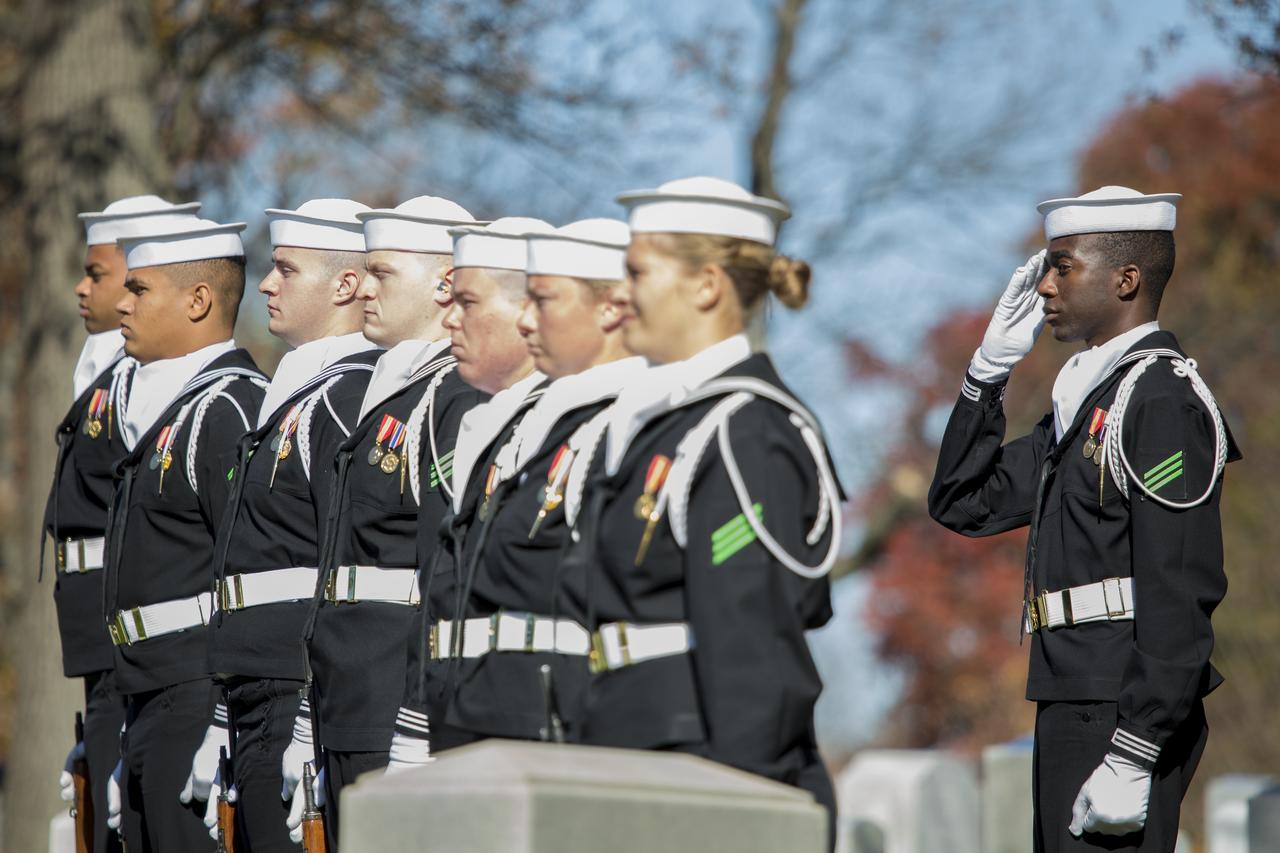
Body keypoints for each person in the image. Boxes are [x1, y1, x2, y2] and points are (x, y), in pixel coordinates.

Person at [927, 186, 1239, 853]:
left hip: (1120, 707)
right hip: (1072, 692)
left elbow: (1179, 590)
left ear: (1125, 278)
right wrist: (987, 374)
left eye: (1062, 265)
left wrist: (1136, 745)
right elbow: (964, 499)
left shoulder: (1159, 402)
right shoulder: (1085, 402)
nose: (1043, 284)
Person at [563, 177, 843, 842]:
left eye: (636, 272)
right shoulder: (665, 423)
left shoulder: (743, 429)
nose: (619, 293)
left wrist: (743, 816)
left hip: (701, 773)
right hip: (629, 752)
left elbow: (753, 658)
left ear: (706, 285)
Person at [397, 218, 642, 752]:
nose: (529, 322)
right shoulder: (527, 422)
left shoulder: (628, 427)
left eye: (544, 300)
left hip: (551, 719)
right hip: (472, 708)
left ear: (611, 308)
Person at [296, 196, 485, 849]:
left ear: (442, 285)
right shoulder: (389, 389)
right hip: (344, 691)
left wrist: (416, 716)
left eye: (383, 274)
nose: (365, 290)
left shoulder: (453, 398)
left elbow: (446, 570)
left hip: (392, 697)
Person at [196, 198, 379, 851]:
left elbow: (341, 561)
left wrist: (307, 714)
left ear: (346, 284)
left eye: (286, 269)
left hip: (291, 680)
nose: (266, 284)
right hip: (257, 676)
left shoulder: (347, 393)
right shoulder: (303, 386)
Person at [102, 217, 267, 851]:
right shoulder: (177, 405)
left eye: (140, 289)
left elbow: (250, 573)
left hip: (195, 695)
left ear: (198, 300)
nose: (123, 302)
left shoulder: (231, 408)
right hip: (149, 689)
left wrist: (224, 720)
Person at [50, 195, 200, 853]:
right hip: (98, 637)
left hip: (133, 632)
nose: (82, 289)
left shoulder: (148, 382)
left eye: (101, 274)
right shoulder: (105, 369)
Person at [385, 216, 556, 768]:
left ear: (526, 311)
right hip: (460, 710)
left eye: (468, 302)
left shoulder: (564, 426)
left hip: (527, 720)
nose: (449, 320)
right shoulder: (489, 419)